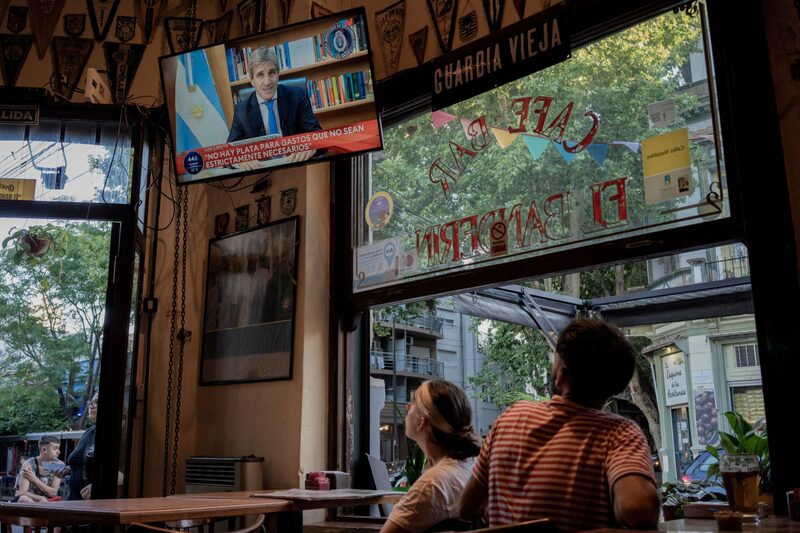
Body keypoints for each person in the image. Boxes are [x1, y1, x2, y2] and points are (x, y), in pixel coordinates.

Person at [458, 318, 660, 531]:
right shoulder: (619, 434)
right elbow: (639, 509)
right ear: (616, 384)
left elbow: (466, 508)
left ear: (561, 375)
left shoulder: (508, 420)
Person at [380, 379, 481, 533]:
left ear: (421, 422)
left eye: (413, 402)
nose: (407, 406)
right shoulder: (470, 468)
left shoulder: (432, 485)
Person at [227, 47, 321, 166]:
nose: (267, 82)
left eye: (271, 73)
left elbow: (317, 134)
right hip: (262, 170)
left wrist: (311, 146)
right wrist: (240, 159)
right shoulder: (241, 110)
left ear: (278, 74)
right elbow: (229, 152)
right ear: (252, 80)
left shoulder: (297, 96)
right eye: (260, 75)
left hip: (296, 164)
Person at [14, 435, 65, 502]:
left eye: (58, 448)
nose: (59, 452)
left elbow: (53, 493)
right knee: (23, 499)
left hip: (49, 502)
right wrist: (40, 498)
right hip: (32, 501)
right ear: (44, 450)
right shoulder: (29, 464)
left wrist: (34, 479)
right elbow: (22, 492)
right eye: (55, 449)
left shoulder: (58, 465)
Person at [67, 392, 97, 500]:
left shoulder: (120, 434)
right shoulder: (89, 432)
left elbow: (126, 473)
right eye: (91, 402)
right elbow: (83, 464)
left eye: (97, 402)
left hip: (94, 503)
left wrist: (99, 485)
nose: (91, 406)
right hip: (74, 499)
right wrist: (68, 469)